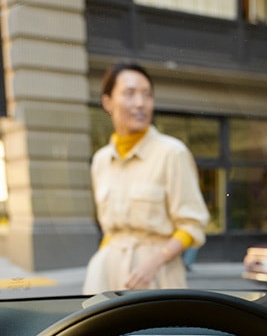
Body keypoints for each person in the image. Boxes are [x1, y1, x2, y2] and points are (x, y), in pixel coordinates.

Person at [83, 62, 210, 294]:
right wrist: (100, 264)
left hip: (157, 275)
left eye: (147, 95)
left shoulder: (172, 153)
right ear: (107, 101)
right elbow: (110, 231)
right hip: (105, 273)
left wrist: (154, 263)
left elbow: (192, 225)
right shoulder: (101, 160)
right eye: (129, 94)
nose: (140, 103)